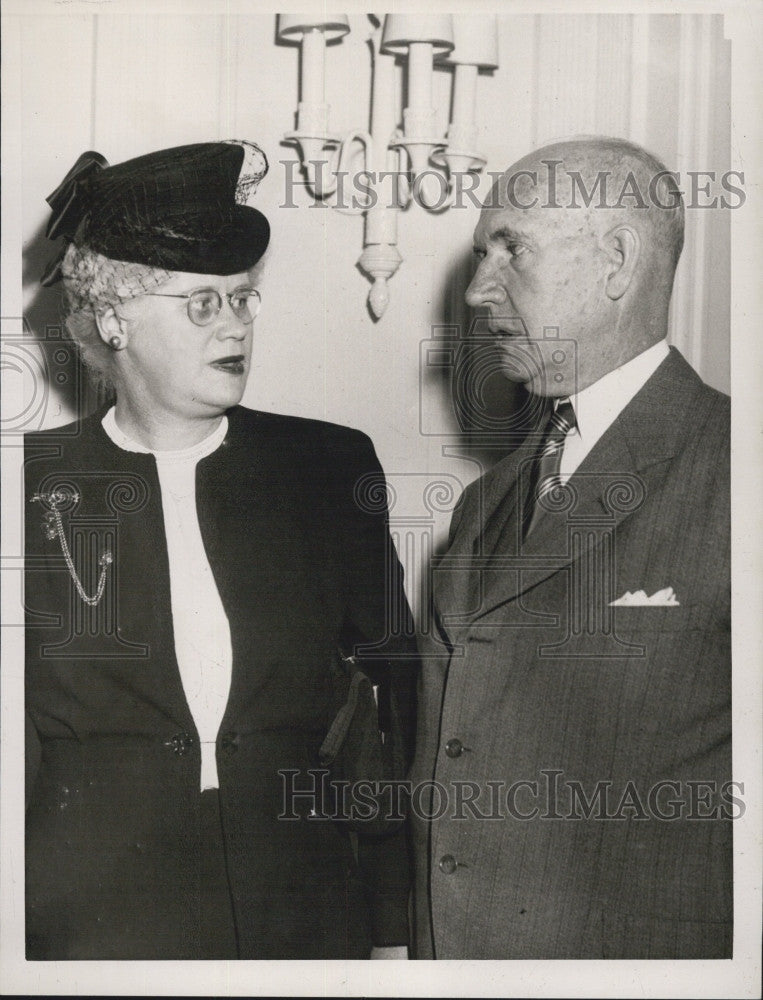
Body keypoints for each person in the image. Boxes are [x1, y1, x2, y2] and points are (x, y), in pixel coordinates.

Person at [24, 140, 417, 960]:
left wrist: (391, 926)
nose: (235, 325)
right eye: (202, 304)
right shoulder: (30, 487)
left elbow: (398, 702)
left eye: (243, 300)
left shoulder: (325, 466)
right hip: (89, 919)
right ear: (113, 319)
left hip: (302, 909)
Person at [412, 136, 731, 959]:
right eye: (481, 254)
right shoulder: (487, 501)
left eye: (510, 248)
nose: (479, 290)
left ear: (616, 260)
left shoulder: (738, 467)